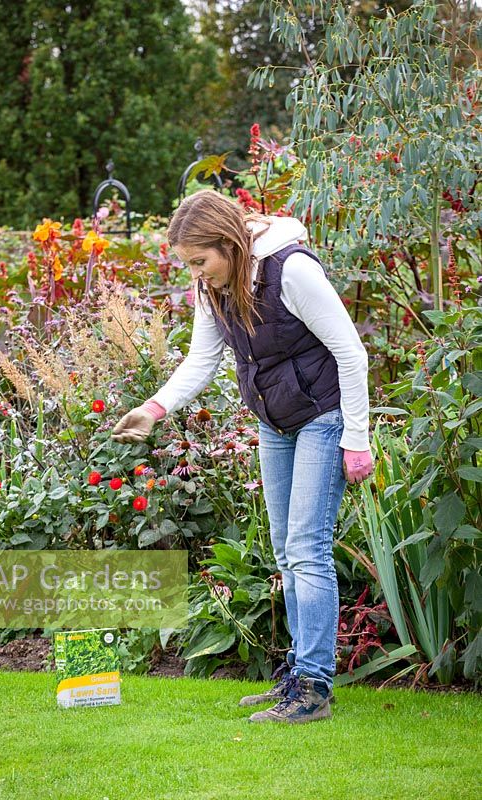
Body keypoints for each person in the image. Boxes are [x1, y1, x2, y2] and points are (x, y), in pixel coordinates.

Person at [111, 189, 374, 725]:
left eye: (200, 261)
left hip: (324, 415)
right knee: (285, 549)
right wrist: (153, 409)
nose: (197, 274)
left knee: (306, 546)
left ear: (228, 244)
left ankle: (314, 689)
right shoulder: (216, 287)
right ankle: (300, 674)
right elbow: (202, 360)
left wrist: (358, 438)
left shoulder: (291, 270)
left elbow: (352, 351)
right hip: (276, 420)